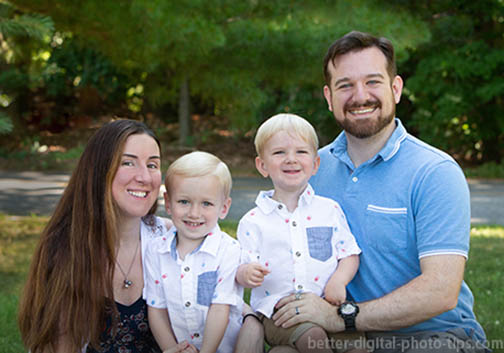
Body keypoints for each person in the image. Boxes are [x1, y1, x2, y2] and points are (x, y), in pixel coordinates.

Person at [269, 31, 489, 353]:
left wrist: (342, 317)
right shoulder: (311, 170)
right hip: (349, 338)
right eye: (345, 85)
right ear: (329, 97)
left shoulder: (435, 172)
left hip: (434, 338)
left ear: (395, 89)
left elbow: (441, 291)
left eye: (373, 82)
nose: (360, 96)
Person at [18, 119, 194, 353]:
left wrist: (252, 322)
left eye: (152, 165)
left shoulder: (173, 239)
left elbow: (223, 300)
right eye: (128, 163)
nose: (144, 177)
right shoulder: (63, 249)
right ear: (100, 170)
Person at [236, 113, 364, 353]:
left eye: (301, 152)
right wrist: (247, 273)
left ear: (315, 164)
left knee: (355, 343)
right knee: (312, 337)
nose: (291, 159)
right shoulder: (253, 221)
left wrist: (339, 280)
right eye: (279, 152)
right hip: (280, 312)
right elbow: (241, 270)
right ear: (262, 165)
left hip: (327, 305)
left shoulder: (329, 210)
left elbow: (349, 253)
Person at [144, 151, 243, 353]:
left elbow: (219, 308)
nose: (194, 213)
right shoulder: (155, 250)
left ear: (224, 208)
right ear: (168, 203)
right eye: (184, 202)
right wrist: (172, 349)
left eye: (206, 203)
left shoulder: (228, 250)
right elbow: (156, 309)